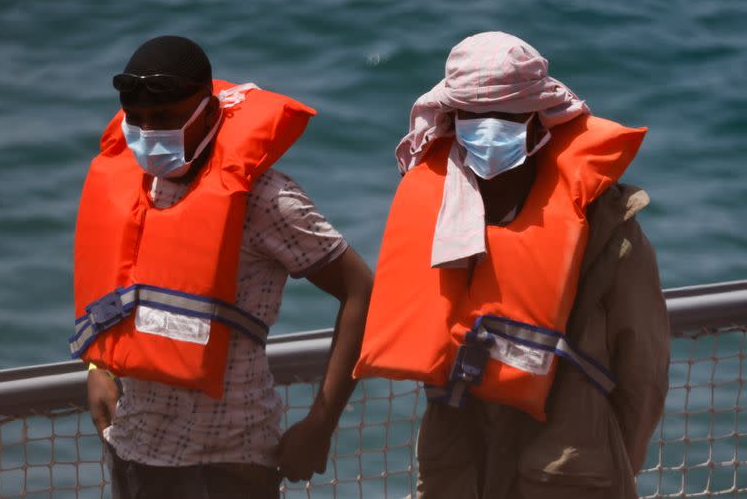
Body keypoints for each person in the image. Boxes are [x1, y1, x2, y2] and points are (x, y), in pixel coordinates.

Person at [354, 31, 670, 498]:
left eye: (504, 116)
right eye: (473, 117)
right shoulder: (435, 210)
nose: (487, 129)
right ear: (451, 118)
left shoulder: (606, 223)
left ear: (538, 120)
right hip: (459, 456)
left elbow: (644, 363)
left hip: (566, 463)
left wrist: (618, 457)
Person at [71, 36, 373, 499]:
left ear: (210, 113)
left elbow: (362, 290)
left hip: (230, 460)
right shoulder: (132, 190)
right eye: (137, 121)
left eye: (167, 120)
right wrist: (97, 366)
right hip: (132, 448)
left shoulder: (265, 199)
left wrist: (321, 422)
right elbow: (122, 293)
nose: (149, 135)